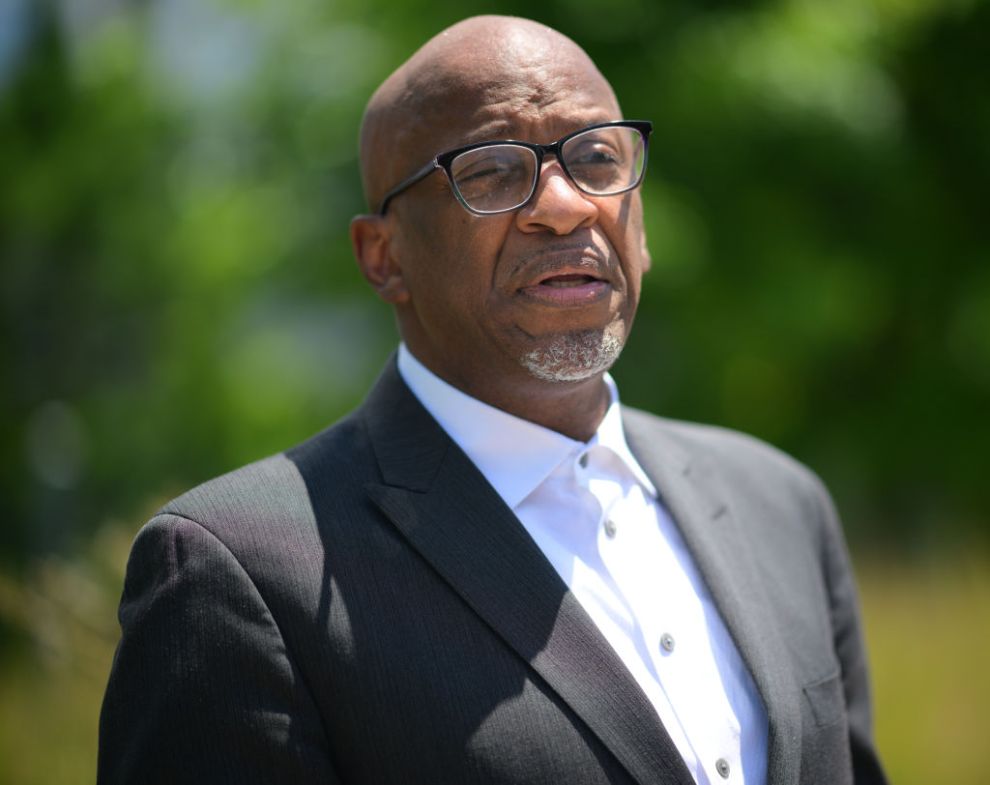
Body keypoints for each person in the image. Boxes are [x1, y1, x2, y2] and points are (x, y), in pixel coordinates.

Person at [97, 15, 887, 785]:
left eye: (599, 159)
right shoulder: (237, 576)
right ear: (384, 257)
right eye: (492, 171)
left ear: (639, 225)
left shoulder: (781, 504)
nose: (567, 204)